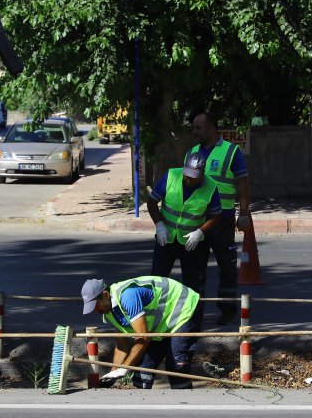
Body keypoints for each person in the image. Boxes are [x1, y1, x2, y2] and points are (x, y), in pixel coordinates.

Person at [81, 276, 203, 389]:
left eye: (96, 305)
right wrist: (114, 372)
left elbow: (143, 337)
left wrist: (125, 368)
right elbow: (122, 346)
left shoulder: (127, 296)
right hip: (160, 324)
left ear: (106, 294)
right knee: (143, 367)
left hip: (183, 307)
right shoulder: (108, 312)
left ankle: (183, 405)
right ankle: (141, 406)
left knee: (176, 365)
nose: (95, 310)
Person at [189, 112, 251, 325]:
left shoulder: (231, 151)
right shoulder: (193, 152)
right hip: (198, 218)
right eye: (194, 128)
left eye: (198, 128)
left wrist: (244, 214)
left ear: (212, 129)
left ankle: (227, 309)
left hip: (223, 217)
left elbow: (243, 182)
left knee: (226, 265)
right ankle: (195, 310)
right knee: (196, 266)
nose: (194, 132)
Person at [147, 151, 221, 297]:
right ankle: (155, 316)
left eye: (193, 177)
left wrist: (200, 232)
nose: (189, 179)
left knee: (192, 286)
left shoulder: (211, 186)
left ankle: (193, 319)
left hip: (190, 242)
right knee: (157, 281)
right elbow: (152, 201)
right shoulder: (171, 176)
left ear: (202, 174)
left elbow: (216, 215)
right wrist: (159, 224)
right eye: (187, 174)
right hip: (166, 238)